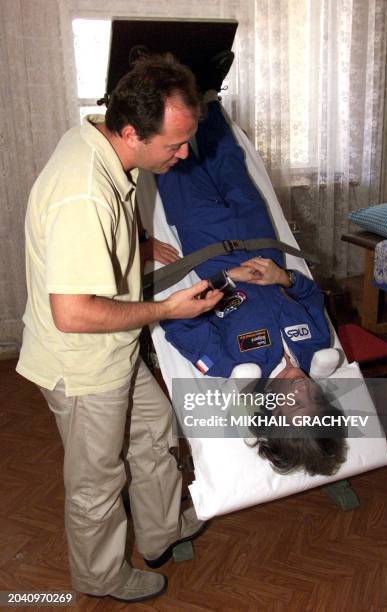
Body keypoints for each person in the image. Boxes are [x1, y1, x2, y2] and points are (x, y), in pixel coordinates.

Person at [16, 55, 224, 603]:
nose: (182, 155)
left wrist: (135, 236)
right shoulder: (82, 193)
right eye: (173, 146)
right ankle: (100, 579)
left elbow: (107, 208)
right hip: (83, 363)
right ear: (131, 131)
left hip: (114, 349)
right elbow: (74, 313)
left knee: (154, 431)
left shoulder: (98, 142)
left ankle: (160, 532)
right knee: (97, 485)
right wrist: (167, 310)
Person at [154, 91, 346, 477]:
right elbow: (310, 296)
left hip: (204, 234)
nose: (301, 391)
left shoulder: (232, 364)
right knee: (225, 154)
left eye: (292, 406)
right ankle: (201, 89)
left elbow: (179, 322)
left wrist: (227, 280)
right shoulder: (315, 346)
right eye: (312, 400)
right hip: (256, 227)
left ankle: (157, 92)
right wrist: (285, 277)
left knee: (178, 157)